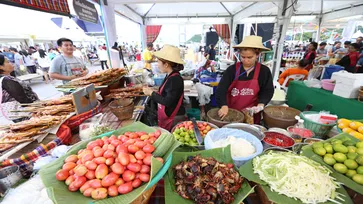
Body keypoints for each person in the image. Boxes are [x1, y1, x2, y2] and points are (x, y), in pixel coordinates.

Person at [216, 36, 274, 124]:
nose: (245, 60)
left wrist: (261, 104)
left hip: (251, 115)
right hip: (231, 112)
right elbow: (221, 89)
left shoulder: (264, 71)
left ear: (257, 55)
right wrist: (223, 105)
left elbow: (268, 90)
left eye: (249, 57)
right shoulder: (232, 70)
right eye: (243, 57)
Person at [142, 45, 185, 131]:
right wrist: (153, 90)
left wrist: (151, 93)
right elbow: (167, 92)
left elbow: (167, 101)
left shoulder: (175, 79)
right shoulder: (170, 75)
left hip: (174, 118)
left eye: (158, 62)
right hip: (170, 115)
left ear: (166, 64)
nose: (157, 65)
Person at [0, 54, 38, 123]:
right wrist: (37, 107)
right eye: (8, 62)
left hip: (25, 112)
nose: (11, 63)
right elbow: (21, 98)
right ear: (1, 67)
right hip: (25, 114)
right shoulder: (6, 80)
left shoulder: (7, 78)